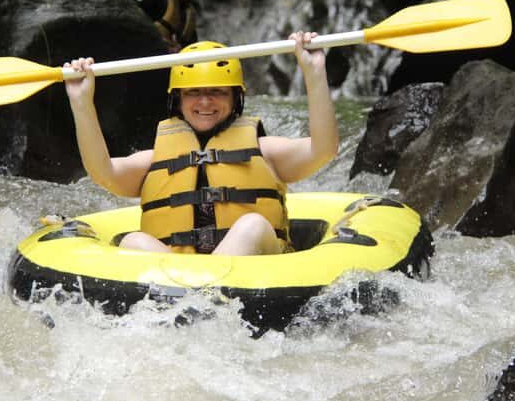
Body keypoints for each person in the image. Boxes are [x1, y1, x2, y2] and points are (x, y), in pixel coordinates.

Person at [63, 33, 338, 256]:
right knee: (134, 242)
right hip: (181, 283)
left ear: (235, 99)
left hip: (254, 276)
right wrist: (81, 102)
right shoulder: (154, 160)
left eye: (217, 91)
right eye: (193, 92)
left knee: (251, 227)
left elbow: (323, 150)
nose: (204, 102)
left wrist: (314, 74)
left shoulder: (266, 151)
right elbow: (103, 172)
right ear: (178, 100)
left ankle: (208, 296)